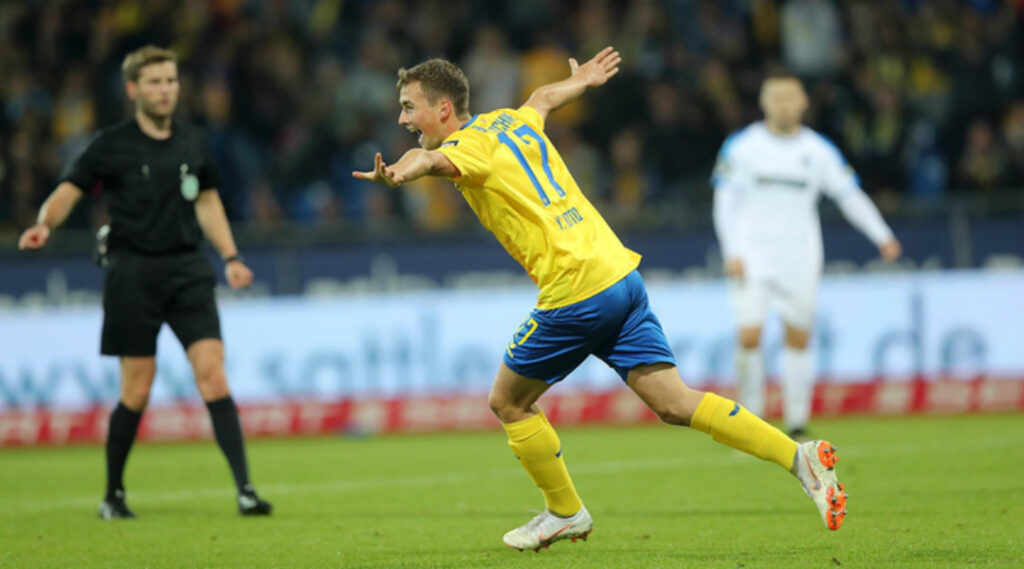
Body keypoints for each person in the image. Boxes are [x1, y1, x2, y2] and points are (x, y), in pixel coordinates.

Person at [353, 47, 848, 552]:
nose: (403, 119)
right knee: (675, 403)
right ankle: (799, 459)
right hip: (619, 275)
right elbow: (542, 98)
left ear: (443, 108)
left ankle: (565, 512)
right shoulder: (507, 121)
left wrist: (399, 172)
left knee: (508, 402)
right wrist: (583, 82)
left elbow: (428, 159)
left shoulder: (466, 147)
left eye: (409, 107)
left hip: (576, 289)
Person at [17, 46, 272, 519]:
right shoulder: (111, 144)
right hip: (133, 274)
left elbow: (207, 201)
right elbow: (70, 188)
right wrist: (44, 224)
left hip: (188, 270)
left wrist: (231, 256)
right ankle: (113, 495)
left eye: (171, 80)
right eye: (155, 82)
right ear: (133, 89)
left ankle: (246, 491)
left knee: (212, 373)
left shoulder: (193, 140)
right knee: (137, 389)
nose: (165, 89)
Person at [712, 70, 902, 439]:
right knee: (749, 336)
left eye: (790, 98)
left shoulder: (818, 151)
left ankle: (797, 422)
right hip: (751, 256)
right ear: (764, 104)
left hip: (799, 258)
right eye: (776, 98)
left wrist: (882, 235)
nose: (784, 105)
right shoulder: (742, 146)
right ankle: (751, 424)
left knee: (798, 337)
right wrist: (731, 250)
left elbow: (849, 195)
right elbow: (724, 201)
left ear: (803, 103)